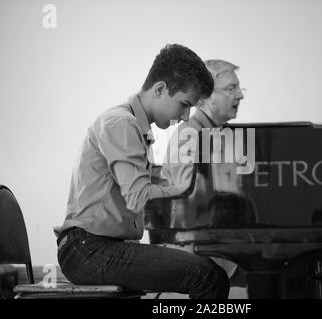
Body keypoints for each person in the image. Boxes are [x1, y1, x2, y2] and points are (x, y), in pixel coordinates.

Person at [53, 44, 230, 299]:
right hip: (87, 250)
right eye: (183, 104)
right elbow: (138, 196)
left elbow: (152, 182)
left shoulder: (134, 127)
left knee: (209, 271)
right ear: (159, 89)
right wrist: (187, 190)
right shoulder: (121, 123)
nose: (184, 116)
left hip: (94, 247)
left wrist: (195, 184)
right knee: (206, 275)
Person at [161, 59, 247, 289]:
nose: (240, 96)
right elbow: (189, 197)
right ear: (206, 97)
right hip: (198, 254)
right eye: (231, 89)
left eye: (239, 88)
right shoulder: (190, 134)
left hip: (216, 250)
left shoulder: (218, 134)